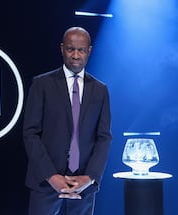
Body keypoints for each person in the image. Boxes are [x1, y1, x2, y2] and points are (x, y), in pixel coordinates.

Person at [22, 26, 112, 215]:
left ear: (89, 51)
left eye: (81, 50)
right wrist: (51, 176)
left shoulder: (100, 90)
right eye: (71, 49)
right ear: (62, 49)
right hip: (46, 183)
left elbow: (104, 137)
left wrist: (90, 177)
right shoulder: (42, 84)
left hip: (83, 185)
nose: (76, 55)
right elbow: (31, 134)